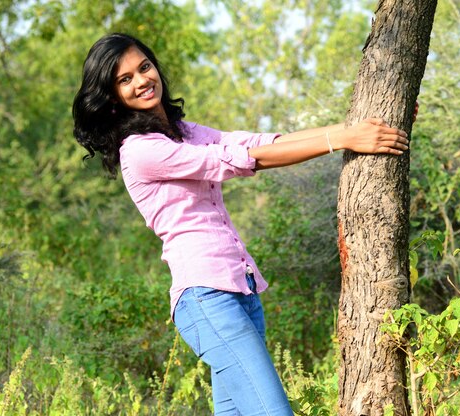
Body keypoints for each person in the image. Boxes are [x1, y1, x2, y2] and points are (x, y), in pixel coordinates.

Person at [72, 33, 409, 415]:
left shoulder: (187, 134)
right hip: (206, 299)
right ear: (113, 96)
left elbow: (263, 141)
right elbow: (245, 160)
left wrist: (361, 130)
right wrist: (343, 138)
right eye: (124, 79)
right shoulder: (142, 150)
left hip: (242, 292)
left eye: (144, 67)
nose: (141, 81)